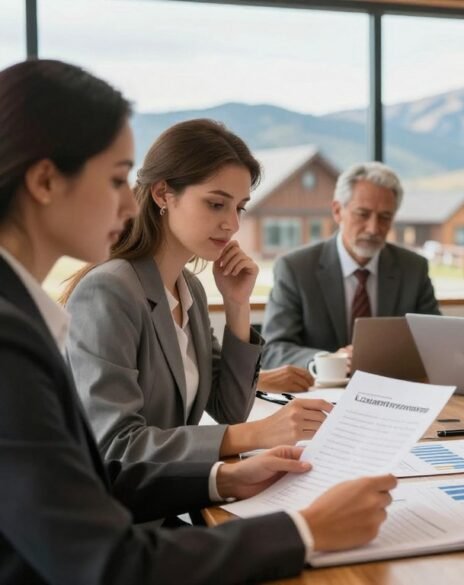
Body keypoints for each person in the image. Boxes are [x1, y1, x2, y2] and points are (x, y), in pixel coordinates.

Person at [0, 59, 395, 584]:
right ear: (46, 179)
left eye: (240, 207)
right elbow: (107, 511)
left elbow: (103, 475)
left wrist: (222, 478)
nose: (127, 201)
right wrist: (304, 529)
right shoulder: (50, 318)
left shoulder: (184, 287)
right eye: (118, 179)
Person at [63, 118, 332, 464]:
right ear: (163, 193)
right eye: (216, 204)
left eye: (240, 208)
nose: (233, 224)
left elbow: (230, 410)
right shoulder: (109, 291)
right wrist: (258, 433)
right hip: (118, 511)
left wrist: (237, 304)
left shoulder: (188, 288)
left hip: (169, 496)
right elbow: (117, 446)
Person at [262, 162, 441, 368]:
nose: (373, 228)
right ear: (338, 211)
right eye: (363, 214)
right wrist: (330, 362)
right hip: (318, 392)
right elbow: (273, 350)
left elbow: (435, 343)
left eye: (385, 217)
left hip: (390, 388)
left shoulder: (413, 268)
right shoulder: (296, 268)